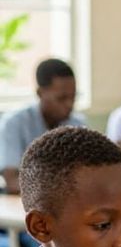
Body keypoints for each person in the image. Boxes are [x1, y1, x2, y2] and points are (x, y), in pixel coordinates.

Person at [0, 57, 85, 193]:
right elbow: (12, 181)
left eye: (73, 97)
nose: (69, 104)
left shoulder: (77, 124)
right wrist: (54, 193)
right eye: (61, 98)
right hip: (24, 202)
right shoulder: (14, 124)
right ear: (40, 93)